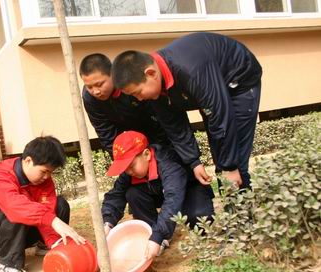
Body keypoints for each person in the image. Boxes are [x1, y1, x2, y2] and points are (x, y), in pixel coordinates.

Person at [111, 32, 262, 190]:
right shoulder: (156, 87)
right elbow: (174, 126)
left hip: (239, 81)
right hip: (209, 89)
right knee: (221, 156)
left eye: (138, 92)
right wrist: (194, 162)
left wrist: (230, 167)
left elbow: (220, 114)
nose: (139, 99)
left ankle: (241, 210)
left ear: (151, 73)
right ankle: (230, 207)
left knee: (235, 159)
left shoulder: (191, 70)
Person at [0, 136, 85, 272]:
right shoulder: (1, 174)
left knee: (60, 204)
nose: (47, 177)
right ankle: (8, 263)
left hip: (25, 233)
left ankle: (44, 244)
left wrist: (54, 241)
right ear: (28, 161)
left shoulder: (44, 180)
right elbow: (14, 206)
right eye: (44, 171)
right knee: (17, 212)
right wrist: (52, 220)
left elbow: (48, 208)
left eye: (51, 173)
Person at [102, 131, 214, 259]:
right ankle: (152, 232)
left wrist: (158, 235)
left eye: (131, 166)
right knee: (132, 193)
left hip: (188, 189)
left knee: (200, 219)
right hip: (160, 191)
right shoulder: (130, 172)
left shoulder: (168, 163)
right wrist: (107, 223)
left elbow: (173, 198)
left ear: (147, 154)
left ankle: (158, 235)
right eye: (125, 168)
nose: (129, 171)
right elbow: (116, 195)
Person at [79, 53, 169, 155]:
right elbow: (106, 134)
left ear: (112, 74)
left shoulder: (129, 82)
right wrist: (124, 160)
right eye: (89, 87)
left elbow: (159, 116)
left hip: (158, 133)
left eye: (99, 85)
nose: (95, 92)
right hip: (129, 143)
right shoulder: (90, 98)